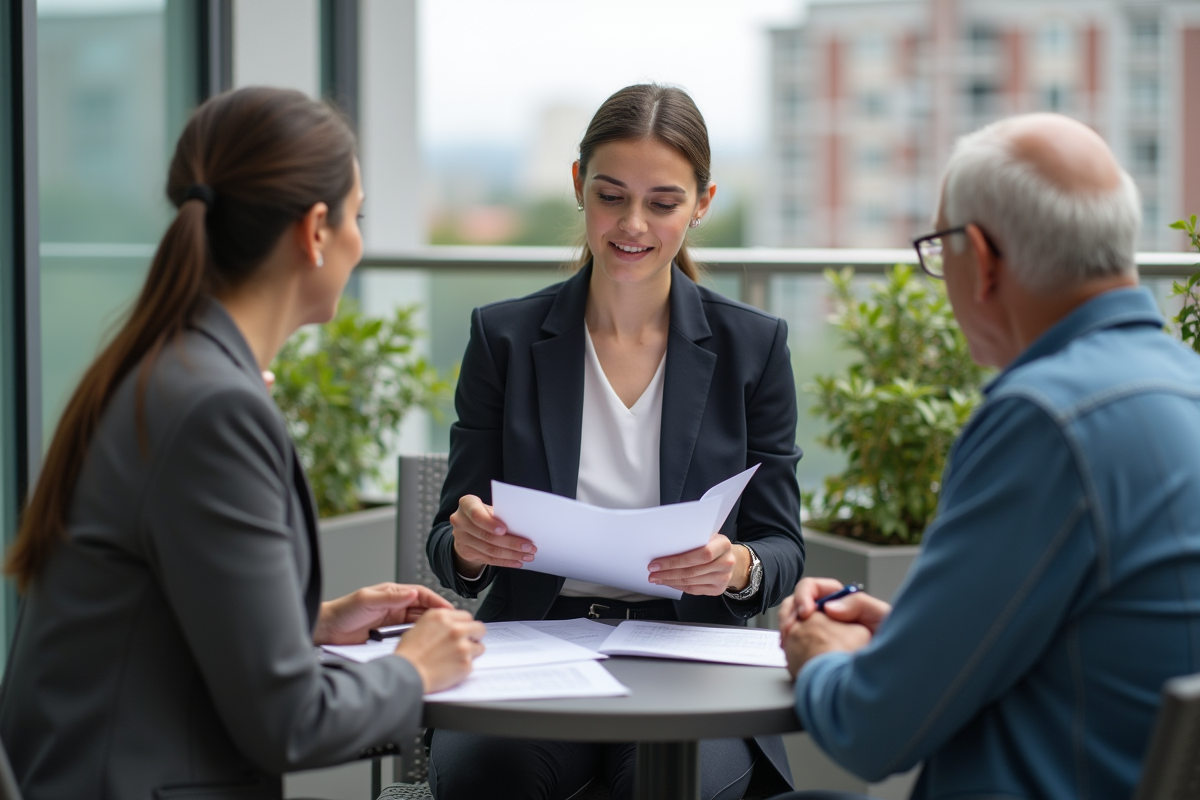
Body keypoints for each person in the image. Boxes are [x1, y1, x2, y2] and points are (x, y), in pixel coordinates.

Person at [0, 88, 486, 800]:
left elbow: (161, 612)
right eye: (359, 215)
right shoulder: (213, 407)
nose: (360, 241)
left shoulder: (170, 368)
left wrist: (310, 624)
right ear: (316, 230)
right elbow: (286, 722)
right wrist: (414, 669)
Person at [774, 113, 1200, 800]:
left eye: (940, 251)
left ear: (982, 256)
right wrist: (907, 640)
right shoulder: (1183, 385)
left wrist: (821, 657)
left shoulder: (1043, 419)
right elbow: (1102, 646)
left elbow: (871, 731)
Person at [425, 84, 804, 800]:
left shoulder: (753, 348)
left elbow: (782, 548)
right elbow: (449, 542)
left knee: (667, 786)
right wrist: (470, 546)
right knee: (489, 781)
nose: (632, 224)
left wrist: (737, 567)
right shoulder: (502, 339)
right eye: (611, 196)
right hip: (532, 652)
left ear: (703, 203)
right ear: (577, 186)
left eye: (663, 202)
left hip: (687, 654)